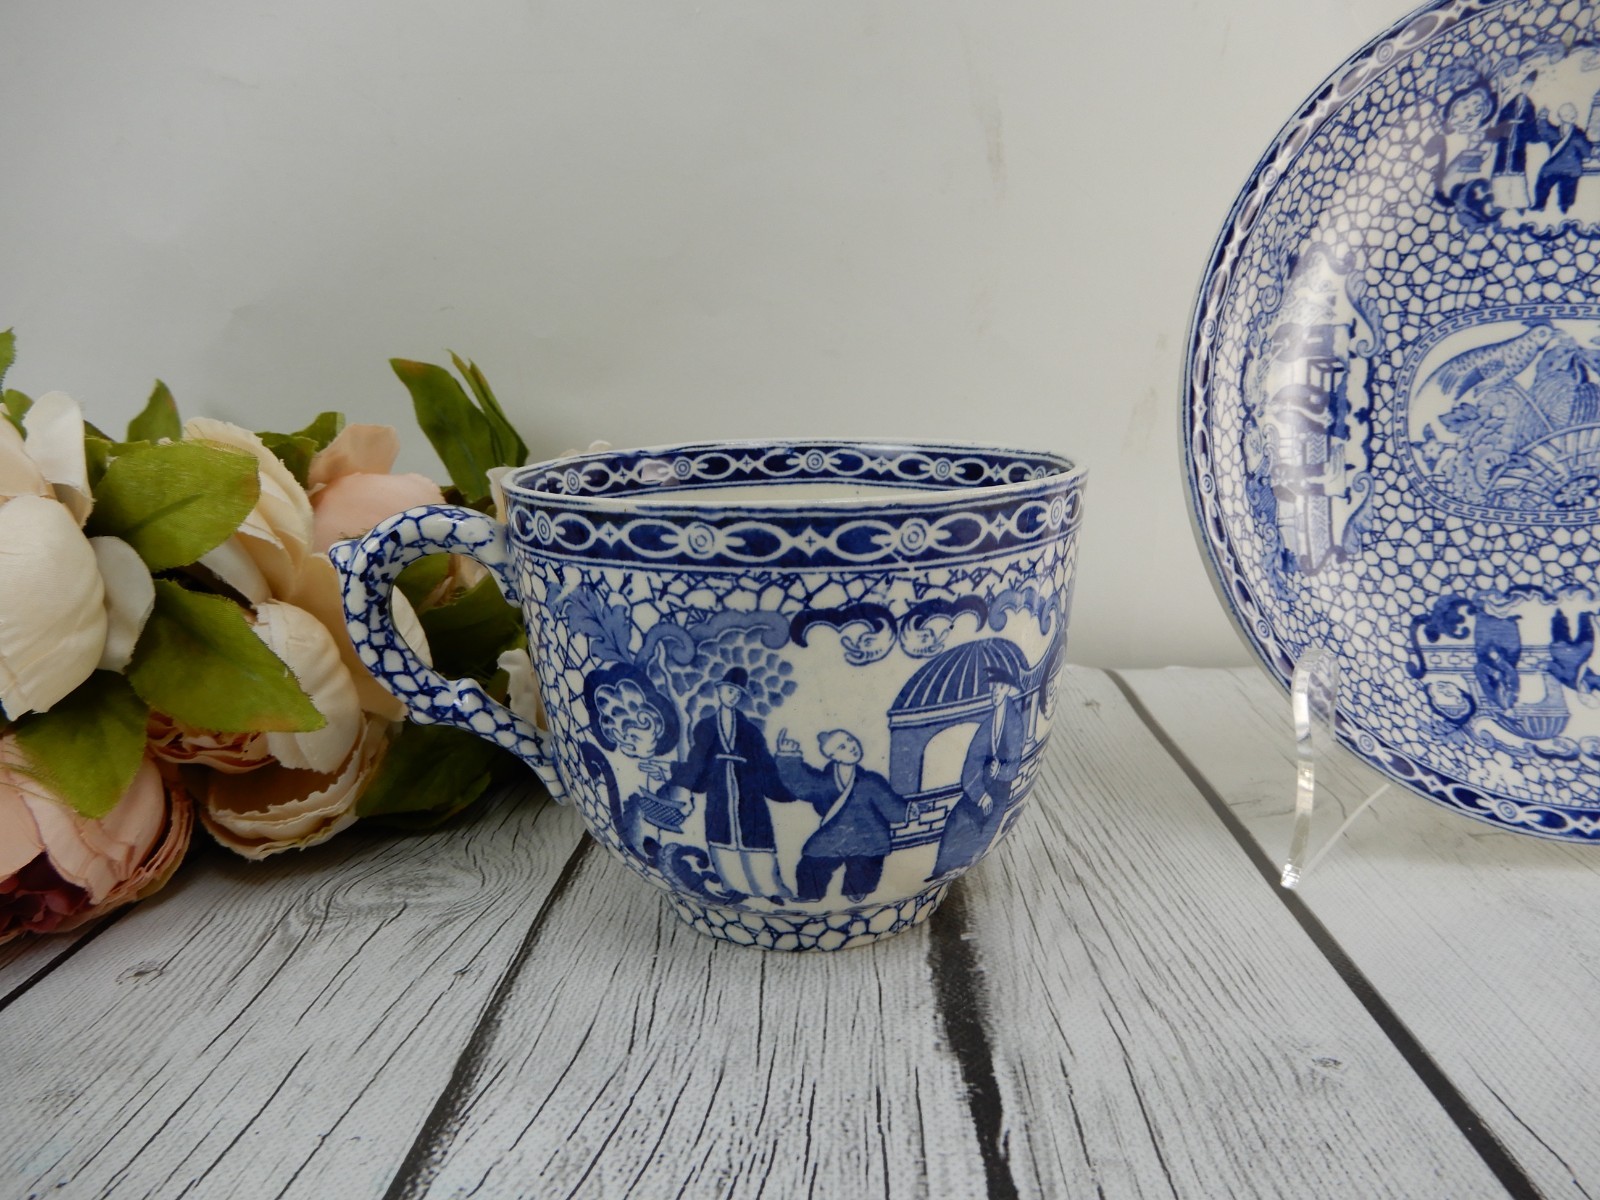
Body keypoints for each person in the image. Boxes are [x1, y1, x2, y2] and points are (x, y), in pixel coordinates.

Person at [641, 668, 798, 901]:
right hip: (720, 793)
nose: (733, 695)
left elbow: (766, 767)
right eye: (729, 690)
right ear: (720, 690)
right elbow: (697, 764)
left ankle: (769, 889)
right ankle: (731, 886)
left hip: (749, 793)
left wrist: (790, 778)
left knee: (757, 839)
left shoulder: (751, 731)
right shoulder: (706, 727)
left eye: (737, 692)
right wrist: (670, 770)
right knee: (721, 837)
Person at [776, 728, 909, 904]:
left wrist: (906, 811)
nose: (851, 747)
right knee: (812, 862)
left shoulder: (870, 781)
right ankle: (810, 894)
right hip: (834, 835)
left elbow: (890, 805)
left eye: (850, 740)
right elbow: (802, 783)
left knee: (865, 864)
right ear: (832, 756)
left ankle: (858, 889)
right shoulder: (825, 782)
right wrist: (788, 756)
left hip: (867, 836)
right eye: (842, 746)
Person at [929, 667, 1027, 879]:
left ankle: (958, 865)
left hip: (1000, 789)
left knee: (983, 829)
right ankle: (942, 869)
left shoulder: (1014, 721)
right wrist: (979, 794)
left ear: (1009, 690)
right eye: (993, 687)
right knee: (957, 820)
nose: (995, 692)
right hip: (978, 787)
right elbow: (972, 761)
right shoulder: (987, 725)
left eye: (1000, 687)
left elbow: (1016, 758)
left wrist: (1000, 770)